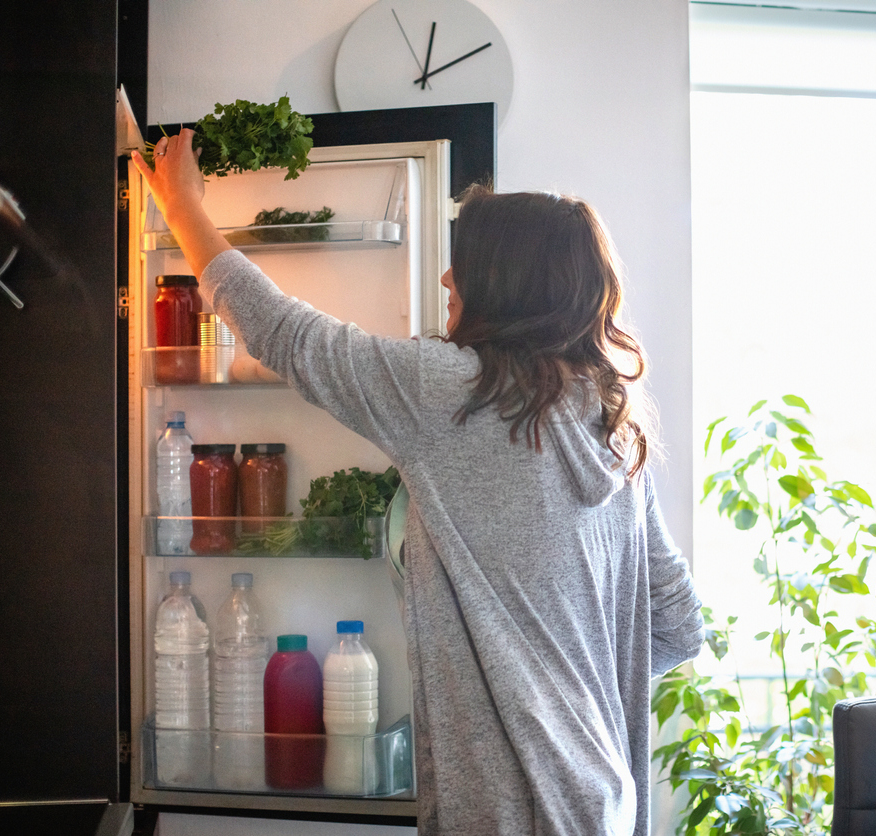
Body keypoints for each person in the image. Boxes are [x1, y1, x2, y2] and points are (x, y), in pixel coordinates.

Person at [134, 130, 704, 835]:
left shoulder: (457, 391)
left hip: (508, 807)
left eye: (460, 266)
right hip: (600, 798)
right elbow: (678, 622)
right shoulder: (609, 418)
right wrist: (562, 692)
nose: (444, 281)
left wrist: (183, 206)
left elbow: (290, 336)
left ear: (501, 283)